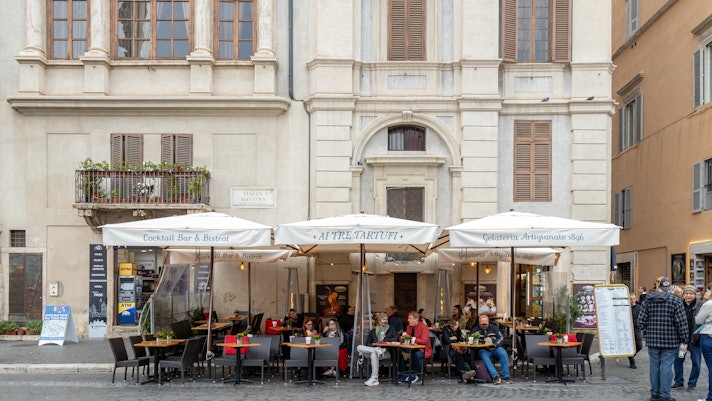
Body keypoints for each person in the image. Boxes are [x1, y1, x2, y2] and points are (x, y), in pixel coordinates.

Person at [638, 276, 689, 401]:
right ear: (669, 287)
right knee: (666, 367)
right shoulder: (676, 301)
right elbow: (681, 323)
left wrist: (647, 333)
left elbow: (640, 321)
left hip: (653, 340)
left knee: (654, 366)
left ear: (658, 287)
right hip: (670, 341)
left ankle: (655, 394)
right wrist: (684, 340)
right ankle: (665, 395)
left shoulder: (648, 301)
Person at [672, 285, 702, 390]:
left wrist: (697, 337)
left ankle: (692, 383)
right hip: (682, 340)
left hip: (695, 340)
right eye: (686, 293)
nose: (688, 295)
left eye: (691, 293)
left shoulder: (700, 305)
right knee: (678, 361)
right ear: (683, 294)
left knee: (696, 363)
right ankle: (679, 381)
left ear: (695, 295)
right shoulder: (678, 304)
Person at [357, 313, 398, 386]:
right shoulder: (373, 331)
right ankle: (377, 350)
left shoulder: (391, 329)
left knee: (373, 354)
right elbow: (368, 343)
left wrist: (385, 341)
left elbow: (395, 338)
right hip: (375, 350)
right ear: (379, 321)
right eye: (383, 319)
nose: (385, 321)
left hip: (385, 351)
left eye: (386, 319)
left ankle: (374, 378)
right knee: (359, 347)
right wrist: (375, 346)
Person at [472, 314, 511, 384]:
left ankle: (506, 376)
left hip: (495, 348)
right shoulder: (475, 330)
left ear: (488, 322)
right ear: (479, 323)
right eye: (482, 324)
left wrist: (495, 344)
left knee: (503, 353)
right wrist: (483, 343)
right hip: (484, 349)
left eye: (485, 324)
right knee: (483, 356)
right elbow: (473, 340)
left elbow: (501, 338)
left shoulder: (494, 328)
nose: (484, 326)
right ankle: (495, 376)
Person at [398, 310, 432, 384]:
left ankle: (414, 374)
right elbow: (407, 340)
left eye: (410, 318)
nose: (408, 320)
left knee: (416, 355)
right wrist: (402, 338)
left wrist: (411, 338)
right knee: (399, 353)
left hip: (423, 350)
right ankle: (403, 374)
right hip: (411, 348)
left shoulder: (424, 327)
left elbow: (424, 341)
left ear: (416, 319)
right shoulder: (408, 327)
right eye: (408, 318)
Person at [695, 285, 712, 401]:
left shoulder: (709, 304)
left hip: (708, 336)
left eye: (708, 290)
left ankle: (711, 397)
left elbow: (698, 320)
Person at [629, 293, 643, 369]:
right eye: (631, 299)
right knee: (629, 345)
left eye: (633, 299)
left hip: (637, 329)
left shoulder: (638, 307)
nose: (632, 300)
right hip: (628, 329)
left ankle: (631, 355)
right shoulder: (626, 307)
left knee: (639, 346)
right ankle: (631, 361)